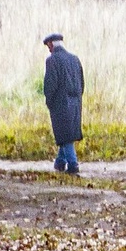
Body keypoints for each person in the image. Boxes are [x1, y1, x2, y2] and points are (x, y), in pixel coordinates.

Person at [42, 32, 84, 173]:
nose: (48, 48)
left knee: (64, 135)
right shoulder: (75, 59)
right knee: (67, 133)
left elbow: (50, 84)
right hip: (76, 102)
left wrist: (49, 101)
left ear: (51, 44)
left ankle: (73, 164)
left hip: (60, 103)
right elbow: (82, 83)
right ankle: (60, 162)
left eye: (48, 45)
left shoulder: (52, 60)